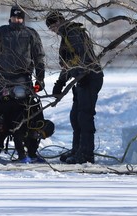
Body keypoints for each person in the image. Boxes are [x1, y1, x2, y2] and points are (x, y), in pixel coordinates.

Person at [0, 5, 46, 162]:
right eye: (15, 17)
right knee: (6, 116)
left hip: (25, 81)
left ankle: (31, 152)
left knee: (29, 116)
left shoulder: (31, 34)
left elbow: (39, 57)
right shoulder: (1, 32)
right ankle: (13, 150)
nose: (17, 20)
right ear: (10, 18)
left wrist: (40, 78)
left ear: (23, 18)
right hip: (4, 81)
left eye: (20, 18)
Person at [45, 11, 104, 164]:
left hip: (90, 78)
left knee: (84, 116)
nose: (53, 30)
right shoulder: (66, 37)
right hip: (82, 79)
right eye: (51, 28)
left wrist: (83, 73)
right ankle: (77, 150)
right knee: (75, 117)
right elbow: (68, 64)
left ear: (59, 22)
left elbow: (84, 57)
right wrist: (59, 84)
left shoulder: (74, 33)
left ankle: (86, 154)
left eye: (52, 26)